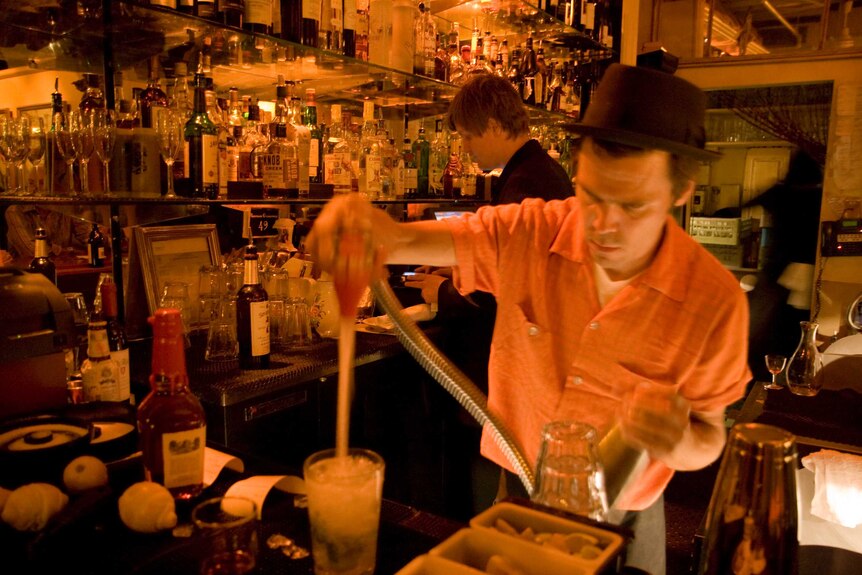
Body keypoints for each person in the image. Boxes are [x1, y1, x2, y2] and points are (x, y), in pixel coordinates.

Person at [309, 64, 752, 574]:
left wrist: (678, 439)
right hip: (519, 489)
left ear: (681, 191)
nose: (602, 227)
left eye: (631, 206)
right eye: (591, 196)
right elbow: (426, 238)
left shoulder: (714, 301)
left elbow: (710, 435)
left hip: (627, 512)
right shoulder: (535, 231)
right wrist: (376, 229)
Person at [402, 74, 574, 518]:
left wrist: (443, 289)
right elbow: (506, 258)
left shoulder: (526, 184)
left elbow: (506, 288)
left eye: (468, 135)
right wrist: (456, 267)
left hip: (525, 375)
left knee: (509, 491)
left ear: (495, 125)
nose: (466, 148)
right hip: (539, 369)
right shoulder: (537, 170)